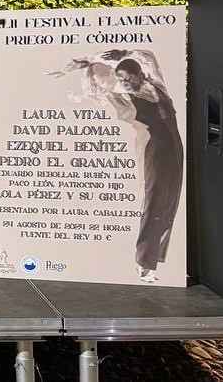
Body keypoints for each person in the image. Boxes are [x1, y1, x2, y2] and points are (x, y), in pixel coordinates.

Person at [51, 49, 184, 282]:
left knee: (171, 201)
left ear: (139, 73)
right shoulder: (122, 97)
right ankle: (144, 263)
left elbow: (150, 56)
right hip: (155, 148)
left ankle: (156, 257)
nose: (124, 82)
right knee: (153, 200)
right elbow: (102, 87)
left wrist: (123, 52)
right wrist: (86, 64)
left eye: (127, 77)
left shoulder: (156, 84)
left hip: (175, 145)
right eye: (120, 79)